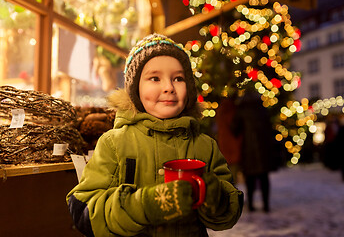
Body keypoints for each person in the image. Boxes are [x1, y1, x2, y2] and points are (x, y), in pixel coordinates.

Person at [66, 33, 243, 237]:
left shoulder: (205, 146)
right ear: (135, 89)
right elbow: (85, 211)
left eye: (178, 78)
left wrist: (216, 198)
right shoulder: (115, 143)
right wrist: (145, 205)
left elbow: (229, 213)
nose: (168, 87)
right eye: (155, 78)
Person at [233, 91, 280, 213]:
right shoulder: (262, 109)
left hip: (248, 150)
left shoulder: (242, 110)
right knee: (264, 178)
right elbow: (269, 128)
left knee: (250, 179)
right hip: (264, 149)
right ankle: (266, 205)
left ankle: (252, 204)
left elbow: (235, 129)